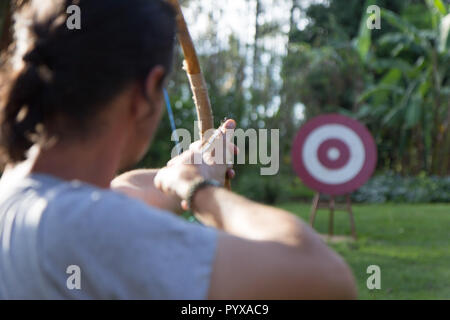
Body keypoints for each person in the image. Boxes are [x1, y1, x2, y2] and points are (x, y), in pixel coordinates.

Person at [0, 0, 357, 299]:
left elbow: (123, 192)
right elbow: (326, 277)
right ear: (149, 89)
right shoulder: (86, 229)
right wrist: (198, 192)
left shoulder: (18, 192)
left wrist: (194, 168)